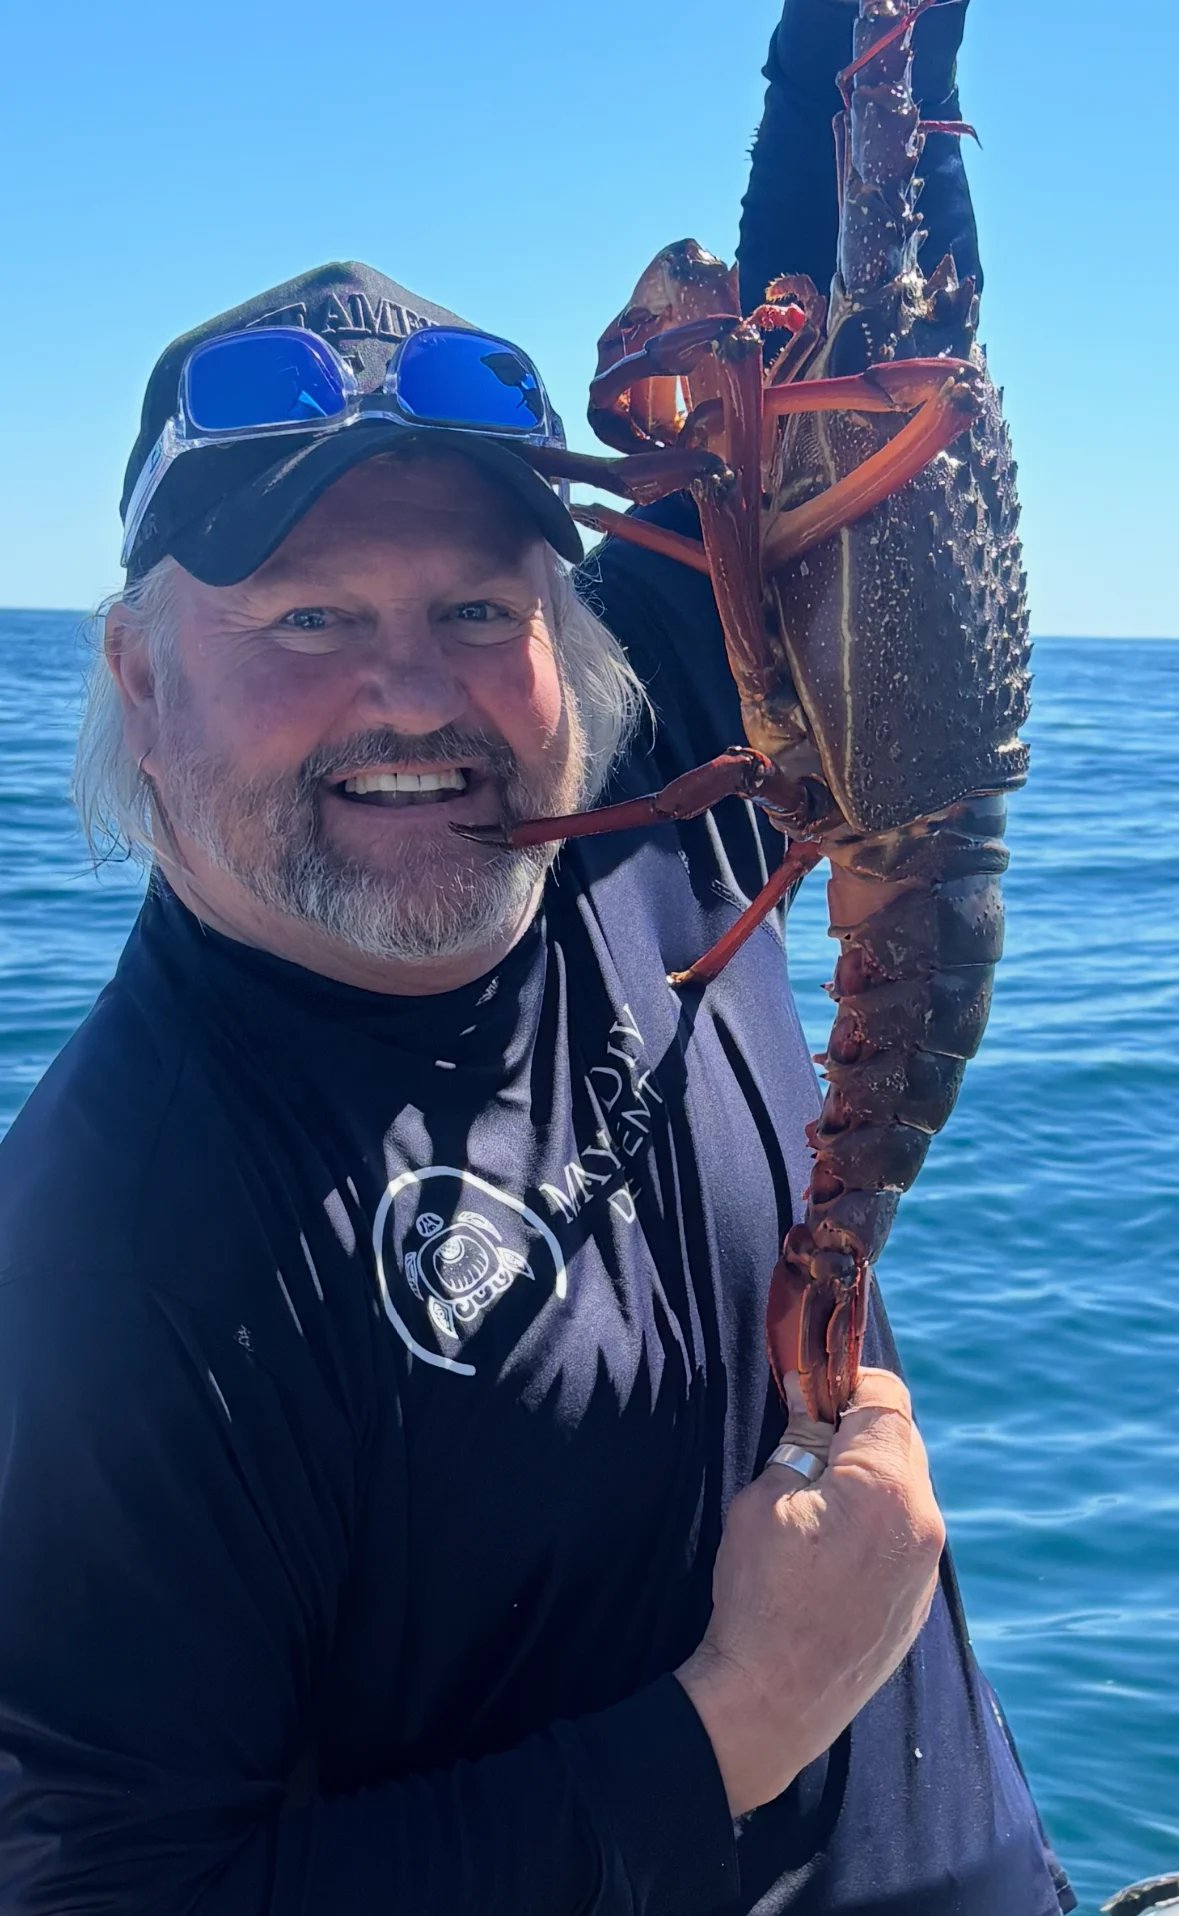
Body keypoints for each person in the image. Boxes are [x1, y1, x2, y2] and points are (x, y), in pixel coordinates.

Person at [0, 3, 1074, 1912]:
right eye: (306, 613)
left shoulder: (642, 768)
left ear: (569, 632)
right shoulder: (101, 1257)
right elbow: (114, 1888)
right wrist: (744, 1715)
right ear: (139, 678)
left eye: (481, 604)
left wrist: (855, 34)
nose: (411, 694)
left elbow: (823, 292)